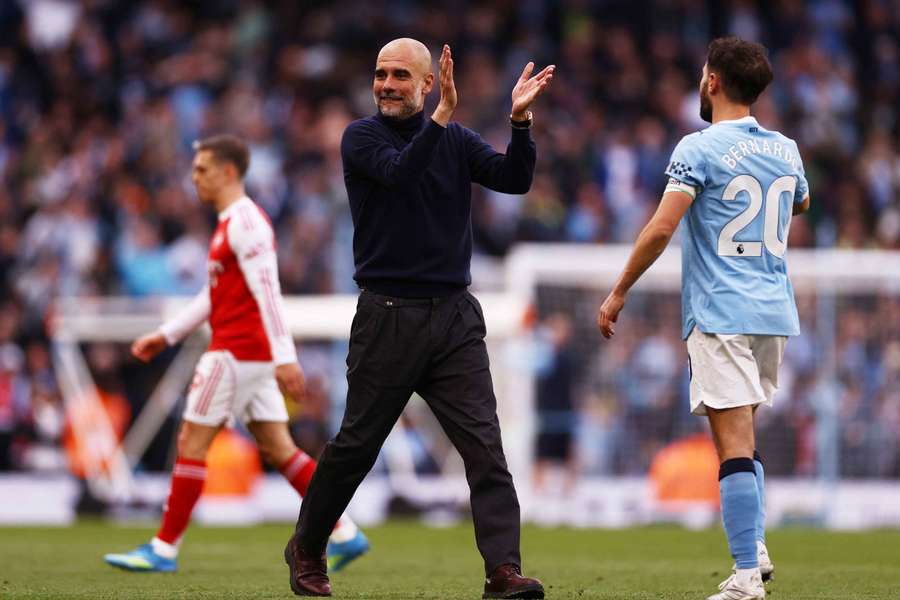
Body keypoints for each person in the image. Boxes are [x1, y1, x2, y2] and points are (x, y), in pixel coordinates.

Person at [283, 39, 554, 598]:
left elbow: (514, 179)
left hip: (454, 317)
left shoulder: (454, 138)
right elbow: (402, 174)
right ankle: (307, 546)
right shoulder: (361, 138)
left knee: (485, 449)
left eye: (400, 75)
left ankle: (502, 571)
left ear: (428, 83)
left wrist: (520, 123)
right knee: (356, 447)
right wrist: (443, 117)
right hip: (387, 315)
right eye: (380, 73)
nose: (386, 84)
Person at [597, 37, 810, 600]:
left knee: (732, 443)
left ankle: (745, 577)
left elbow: (662, 228)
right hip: (773, 313)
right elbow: (802, 201)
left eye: (701, 73)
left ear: (712, 81)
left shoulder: (698, 148)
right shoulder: (786, 149)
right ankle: (755, 548)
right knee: (742, 435)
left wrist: (619, 290)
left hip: (722, 311)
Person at [103, 134, 368, 574]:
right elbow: (214, 294)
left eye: (202, 170)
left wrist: (286, 357)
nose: (195, 178)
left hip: (234, 354)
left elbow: (269, 292)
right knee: (280, 449)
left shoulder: (245, 223)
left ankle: (164, 548)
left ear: (228, 172)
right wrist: (167, 335)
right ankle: (344, 530)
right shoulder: (231, 223)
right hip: (251, 356)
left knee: (191, 442)